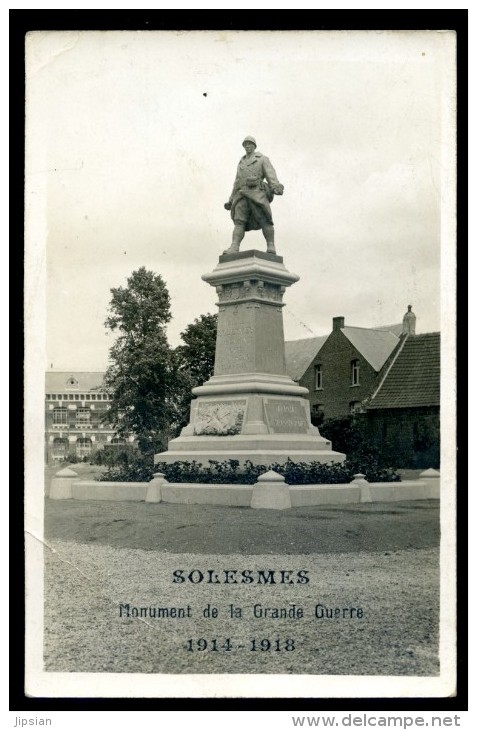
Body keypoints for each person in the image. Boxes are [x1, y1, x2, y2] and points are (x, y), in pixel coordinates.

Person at [223, 136, 284, 255]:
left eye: (250, 144)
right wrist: (230, 200)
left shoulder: (262, 159)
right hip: (241, 194)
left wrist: (275, 187)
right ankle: (234, 246)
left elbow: (270, 175)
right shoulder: (241, 162)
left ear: (254, 146)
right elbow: (237, 181)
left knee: (264, 220)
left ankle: (271, 245)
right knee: (239, 221)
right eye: (245, 144)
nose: (247, 146)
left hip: (257, 194)